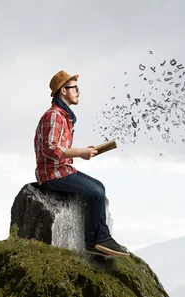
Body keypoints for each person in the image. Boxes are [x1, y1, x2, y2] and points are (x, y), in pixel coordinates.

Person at [33, 70, 129, 257]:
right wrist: (81, 152)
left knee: (100, 187)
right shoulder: (54, 115)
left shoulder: (64, 116)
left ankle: (102, 237)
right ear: (63, 91)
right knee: (96, 193)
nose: (78, 91)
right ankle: (94, 241)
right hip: (53, 174)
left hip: (64, 169)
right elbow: (50, 149)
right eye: (74, 88)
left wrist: (87, 150)